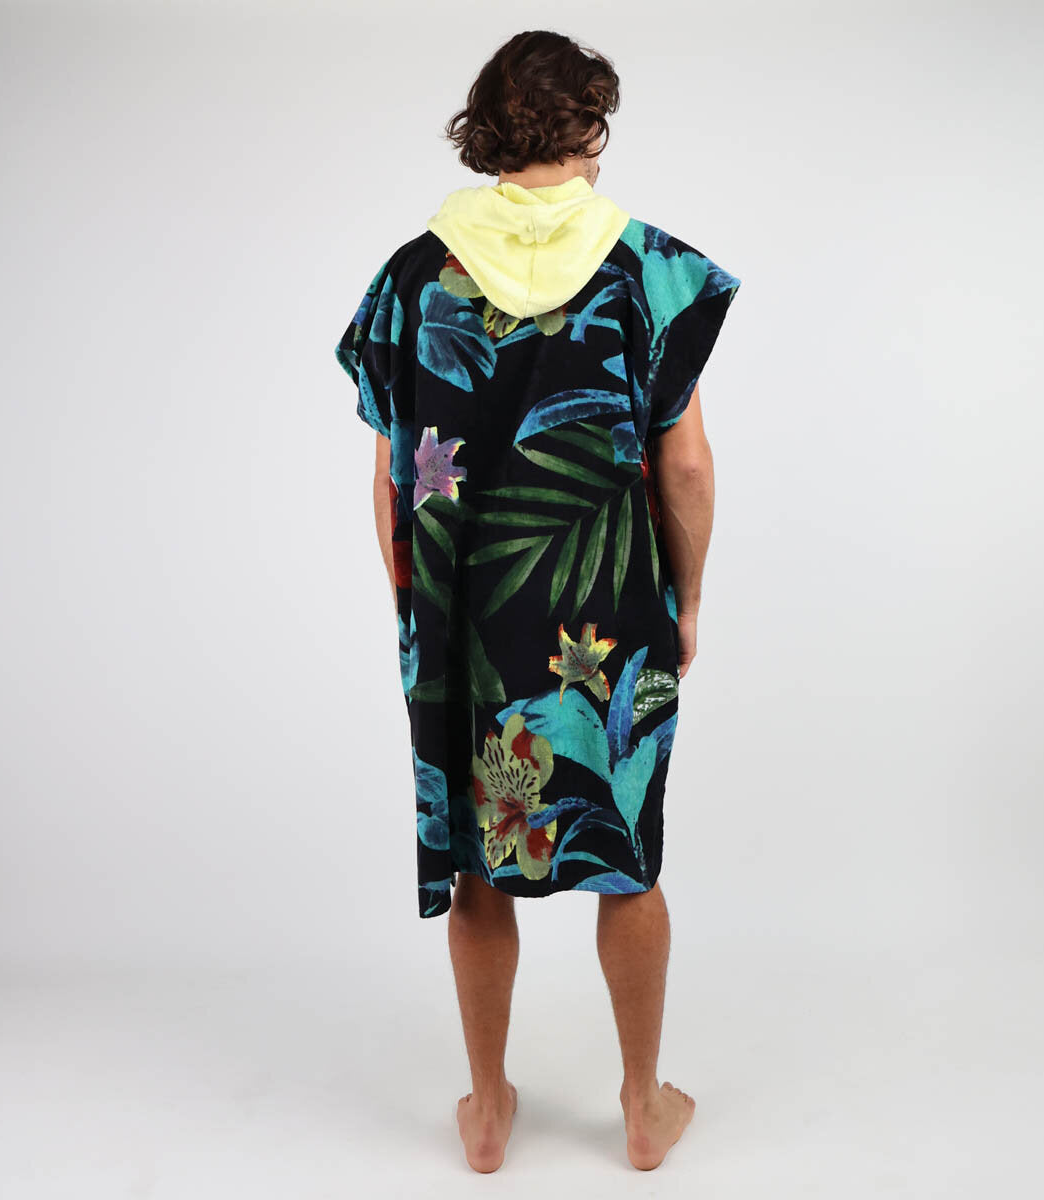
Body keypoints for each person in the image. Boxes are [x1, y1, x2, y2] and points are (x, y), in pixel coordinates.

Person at [335, 29, 740, 1174]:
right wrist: (686, 598)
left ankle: (487, 1110)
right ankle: (643, 1105)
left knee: (479, 861)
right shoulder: (650, 270)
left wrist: (419, 617)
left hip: (463, 616)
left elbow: (393, 479)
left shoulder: (413, 278)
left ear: (487, 136)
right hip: (609, 610)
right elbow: (685, 469)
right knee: (630, 858)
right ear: (591, 129)